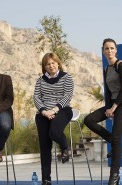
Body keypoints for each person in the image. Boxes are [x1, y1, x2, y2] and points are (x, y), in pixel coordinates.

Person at [84, 38, 122, 185]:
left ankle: (114, 177)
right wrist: (108, 107)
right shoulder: (107, 69)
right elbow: (107, 92)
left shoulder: (120, 65)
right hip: (112, 104)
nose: (109, 51)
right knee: (88, 120)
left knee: (117, 138)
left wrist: (114, 108)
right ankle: (110, 139)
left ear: (116, 50)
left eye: (112, 48)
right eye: (107, 48)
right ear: (103, 51)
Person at [33, 52, 74, 185]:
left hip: (63, 110)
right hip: (44, 113)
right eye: (48, 64)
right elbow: (36, 97)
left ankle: (64, 147)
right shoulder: (40, 80)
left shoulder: (67, 78)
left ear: (58, 63)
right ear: (44, 67)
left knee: (54, 133)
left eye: (53, 63)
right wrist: (44, 111)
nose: (51, 66)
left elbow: (67, 96)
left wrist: (54, 109)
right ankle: (46, 179)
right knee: (44, 146)